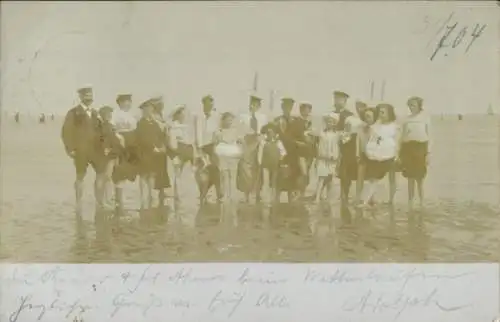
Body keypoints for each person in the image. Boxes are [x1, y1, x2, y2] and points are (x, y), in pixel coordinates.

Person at [61, 86, 101, 214]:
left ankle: (99, 201)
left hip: (95, 150)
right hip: (81, 150)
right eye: (86, 96)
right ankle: (78, 202)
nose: (89, 98)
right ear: (81, 97)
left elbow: (100, 131)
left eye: (90, 95)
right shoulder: (73, 113)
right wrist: (70, 148)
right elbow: (66, 132)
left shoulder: (95, 113)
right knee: (80, 176)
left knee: (101, 174)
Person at [359, 103, 400, 208]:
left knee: (392, 178)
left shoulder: (394, 126)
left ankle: (392, 200)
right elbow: (371, 140)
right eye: (380, 112)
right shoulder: (375, 126)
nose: (381, 115)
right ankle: (366, 201)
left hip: (391, 155)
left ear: (389, 113)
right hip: (378, 156)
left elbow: (398, 141)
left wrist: (397, 154)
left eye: (383, 112)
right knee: (373, 179)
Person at [136, 98, 169, 210]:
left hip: (154, 153)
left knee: (152, 175)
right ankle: (143, 198)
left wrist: (162, 146)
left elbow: (159, 135)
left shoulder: (153, 122)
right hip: (144, 152)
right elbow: (142, 138)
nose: (150, 111)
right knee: (143, 175)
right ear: (143, 110)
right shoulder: (141, 122)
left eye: (151, 109)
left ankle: (151, 195)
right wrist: (153, 147)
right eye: (147, 109)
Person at [400, 96, 430, 209]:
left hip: (421, 148)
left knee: (420, 178)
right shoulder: (406, 119)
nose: (411, 107)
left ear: (419, 106)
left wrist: (428, 153)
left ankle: (422, 202)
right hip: (408, 148)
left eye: (413, 105)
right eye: (410, 105)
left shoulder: (425, 118)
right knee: (410, 177)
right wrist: (400, 152)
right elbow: (402, 136)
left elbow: (430, 137)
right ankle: (410, 202)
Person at [237, 94, 268, 203]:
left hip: (259, 142)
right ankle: (246, 194)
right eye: (251, 104)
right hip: (247, 142)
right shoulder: (243, 117)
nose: (253, 106)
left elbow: (266, 131)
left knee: (258, 167)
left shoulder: (263, 117)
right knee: (245, 169)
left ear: (259, 106)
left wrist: (263, 140)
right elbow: (239, 131)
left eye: (255, 104)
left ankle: (258, 193)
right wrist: (241, 141)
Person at [111, 94, 139, 212]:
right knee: (119, 172)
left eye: (129, 102)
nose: (128, 104)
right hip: (121, 143)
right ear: (120, 103)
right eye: (125, 102)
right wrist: (119, 139)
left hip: (131, 144)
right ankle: (119, 201)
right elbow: (112, 129)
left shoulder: (132, 115)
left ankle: (124, 199)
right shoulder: (115, 114)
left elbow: (136, 129)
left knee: (130, 172)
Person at [194, 94, 222, 202]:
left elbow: (217, 131)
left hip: (212, 146)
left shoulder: (215, 117)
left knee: (215, 169)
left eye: (211, 104)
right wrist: (200, 150)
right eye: (207, 104)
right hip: (202, 147)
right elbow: (198, 133)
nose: (209, 106)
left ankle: (219, 193)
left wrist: (216, 141)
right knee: (202, 172)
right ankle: (203, 193)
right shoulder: (199, 116)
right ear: (203, 104)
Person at [96, 105, 122, 210]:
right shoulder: (100, 126)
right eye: (107, 114)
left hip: (111, 154)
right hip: (103, 154)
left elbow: (114, 140)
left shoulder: (111, 126)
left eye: (110, 114)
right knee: (103, 178)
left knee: (107, 178)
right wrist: (105, 148)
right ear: (102, 115)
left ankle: (104, 200)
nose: (109, 116)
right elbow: (98, 140)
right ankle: (101, 201)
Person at [274, 97, 299, 201]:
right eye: (285, 106)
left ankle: (290, 199)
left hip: (292, 151)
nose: (287, 108)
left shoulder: (295, 120)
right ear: (282, 107)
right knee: (279, 175)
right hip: (280, 149)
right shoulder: (277, 120)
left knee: (291, 175)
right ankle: (277, 199)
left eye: (289, 106)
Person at [168, 104, 196, 200]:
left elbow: (190, 141)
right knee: (177, 173)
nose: (184, 116)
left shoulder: (186, 127)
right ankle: (177, 194)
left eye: (184, 114)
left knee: (184, 173)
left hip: (186, 150)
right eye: (182, 114)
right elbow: (172, 143)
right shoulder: (174, 127)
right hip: (178, 151)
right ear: (177, 115)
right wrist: (175, 153)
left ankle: (181, 193)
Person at [213, 112, 242, 201]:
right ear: (223, 120)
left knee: (233, 176)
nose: (229, 122)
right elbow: (215, 143)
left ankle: (232, 195)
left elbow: (240, 142)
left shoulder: (235, 131)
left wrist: (239, 152)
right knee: (224, 176)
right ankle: (225, 195)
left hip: (233, 156)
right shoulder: (218, 131)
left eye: (231, 120)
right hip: (223, 156)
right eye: (228, 120)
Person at [313, 113, 340, 203]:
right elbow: (317, 143)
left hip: (332, 159)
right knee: (321, 178)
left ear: (335, 123)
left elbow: (339, 145)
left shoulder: (337, 134)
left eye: (332, 121)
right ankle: (317, 197)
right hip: (322, 158)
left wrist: (337, 157)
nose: (330, 123)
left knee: (330, 179)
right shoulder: (322, 133)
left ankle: (328, 198)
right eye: (328, 121)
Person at [337, 115, 364, 202]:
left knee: (354, 177)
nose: (347, 126)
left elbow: (359, 147)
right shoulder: (342, 134)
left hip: (353, 158)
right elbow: (339, 147)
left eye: (349, 125)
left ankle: (355, 196)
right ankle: (344, 195)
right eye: (346, 124)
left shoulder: (355, 135)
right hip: (344, 158)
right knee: (344, 178)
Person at [258, 122, 286, 202]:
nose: (270, 134)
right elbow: (260, 154)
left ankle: (273, 198)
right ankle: (266, 198)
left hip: (275, 165)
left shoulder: (278, 142)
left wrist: (280, 159)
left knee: (274, 181)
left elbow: (283, 152)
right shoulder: (263, 142)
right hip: (265, 165)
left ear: (275, 133)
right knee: (265, 182)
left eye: (271, 132)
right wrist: (260, 163)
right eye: (268, 132)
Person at [293, 102, 316, 199]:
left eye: (308, 110)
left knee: (306, 173)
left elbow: (314, 139)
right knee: (303, 173)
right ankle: (297, 192)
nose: (307, 112)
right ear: (301, 110)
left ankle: (301, 193)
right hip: (300, 151)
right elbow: (292, 137)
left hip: (309, 152)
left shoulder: (310, 123)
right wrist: (298, 143)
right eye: (305, 110)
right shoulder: (296, 122)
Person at [151, 96, 171, 206]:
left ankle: (161, 192)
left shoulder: (161, 116)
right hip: (156, 144)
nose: (162, 106)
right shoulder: (154, 116)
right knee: (156, 169)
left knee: (162, 168)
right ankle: (155, 193)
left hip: (162, 144)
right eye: (160, 104)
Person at [355, 107, 377, 204]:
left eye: (369, 116)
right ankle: (358, 197)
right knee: (360, 177)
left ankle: (371, 198)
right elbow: (357, 141)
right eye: (366, 116)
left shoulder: (377, 128)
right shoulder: (360, 128)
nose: (367, 118)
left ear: (374, 118)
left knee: (372, 178)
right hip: (363, 155)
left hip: (373, 156)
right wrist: (357, 154)